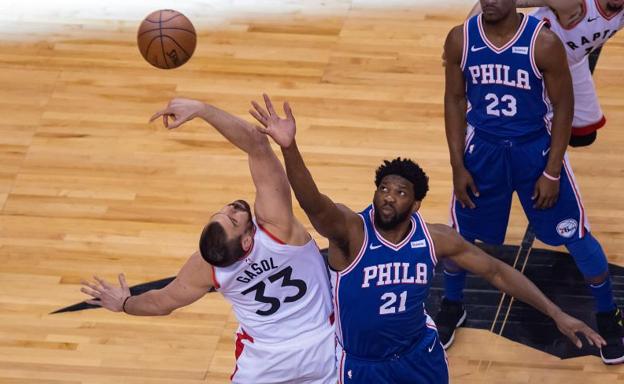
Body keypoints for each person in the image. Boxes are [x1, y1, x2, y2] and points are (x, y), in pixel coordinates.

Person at [248, 94, 605, 383]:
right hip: (364, 366)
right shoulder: (351, 232)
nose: (389, 196)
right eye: (384, 188)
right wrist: (289, 147)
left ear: (416, 203)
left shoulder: (434, 239)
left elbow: (496, 272)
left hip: (421, 358)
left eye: (400, 192)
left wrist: (557, 314)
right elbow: (313, 204)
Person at [80, 98, 336, 383]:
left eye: (224, 212)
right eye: (234, 217)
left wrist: (125, 303)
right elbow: (257, 144)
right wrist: (202, 110)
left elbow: (162, 302)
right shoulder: (279, 228)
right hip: (324, 347)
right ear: (248, 241)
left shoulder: (207, 268)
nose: (232, 207)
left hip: (264, 364)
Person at [440, 0, 624, 365]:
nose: (490, 1)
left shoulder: (544, 43)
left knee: (575, 233)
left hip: (533, 149)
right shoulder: (460, 39)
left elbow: (564, 107)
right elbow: (454, 99)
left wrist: (552, 170)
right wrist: (457, 165)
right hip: (484, 152)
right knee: (460, 235)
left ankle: (608, 313)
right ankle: (452, 304)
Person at [468, 0, 624, 147]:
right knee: (521, 131)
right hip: (530, 59)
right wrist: (465, 37)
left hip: (571, 62)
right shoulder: (573, 4)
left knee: (583, 136)